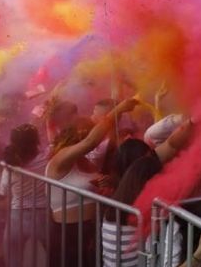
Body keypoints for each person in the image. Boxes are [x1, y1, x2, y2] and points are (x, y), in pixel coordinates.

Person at [46, 97, 139, 266]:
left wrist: (106, 182)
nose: (89, 135)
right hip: (69, 233)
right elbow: (92, 141)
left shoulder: (83, 160)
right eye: (86, 132)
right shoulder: (60, 158)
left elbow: (93, 180)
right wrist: (119, 109)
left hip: (91, 229)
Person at [0, 124, 49, 267]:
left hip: (17, 216)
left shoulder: (9, 165)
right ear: (36, 141)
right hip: (43, 215)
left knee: (13, 260)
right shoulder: (45, 159)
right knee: (52, 257)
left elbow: (3, 191)